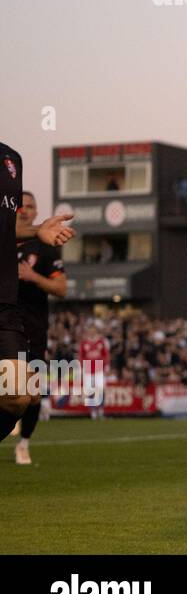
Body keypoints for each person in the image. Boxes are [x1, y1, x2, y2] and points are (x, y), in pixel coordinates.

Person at [13, 190, 67, 463]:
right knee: (9, 390)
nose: (24, 210)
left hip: (32, 329)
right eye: (20, 205)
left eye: (30, 206)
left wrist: (33, 276)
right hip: (4, 326)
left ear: (36, 212)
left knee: (32, 395)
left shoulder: (44, 245)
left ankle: (23, 443)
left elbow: (61, 287)